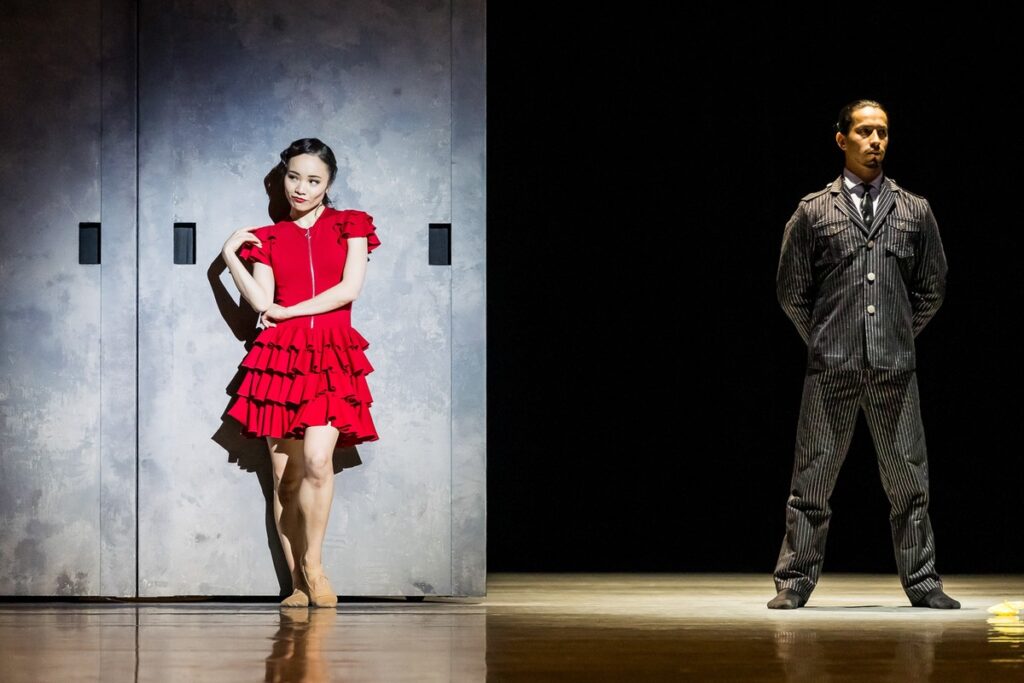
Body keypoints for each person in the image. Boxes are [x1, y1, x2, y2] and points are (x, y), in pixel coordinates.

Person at [769, 100, 959, 610]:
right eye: (865, 132)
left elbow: (932, 289)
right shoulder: (814, 211)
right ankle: (794, 584)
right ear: (841, 139)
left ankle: (923, 582)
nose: (875, 141)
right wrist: (828, 339)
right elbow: (791, 291)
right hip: (830, 368)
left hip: (894, 369)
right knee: (812, 479)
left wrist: (896, 334)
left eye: (883, 133)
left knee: (909, 481)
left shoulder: (913, 209)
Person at [221, 137, 381, 608]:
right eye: (294, 176)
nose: (301, 188)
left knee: (316, 460)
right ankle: (295, 581)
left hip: (331, 354)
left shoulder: (350, 225)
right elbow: (260, 303)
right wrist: (229, 259)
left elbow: (348, 291)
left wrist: (287, 312)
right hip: (278, 360)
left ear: (329, 184)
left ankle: (315, 564)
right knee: (284, 478)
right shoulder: (268, 239)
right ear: (282, 175)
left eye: (314, 180)